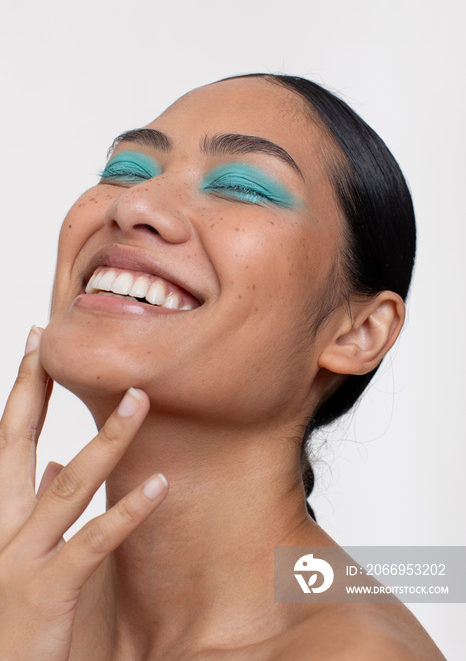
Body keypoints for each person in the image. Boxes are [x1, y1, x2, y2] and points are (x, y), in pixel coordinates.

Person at [0, 74, 445, 660]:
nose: (133, 203)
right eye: (126, 171)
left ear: (358, 332)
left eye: (241, 187)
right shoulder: (20, 599)